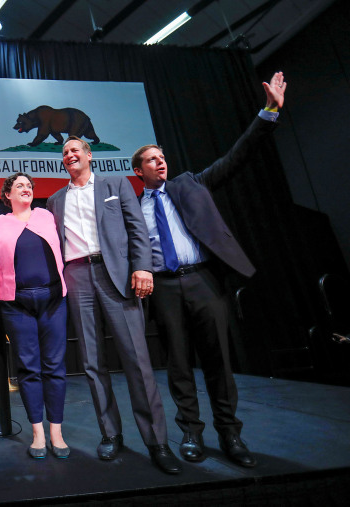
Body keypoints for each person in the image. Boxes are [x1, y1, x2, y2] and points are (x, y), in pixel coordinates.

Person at [131, 71, 287, 468]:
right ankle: (191, 433)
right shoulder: (133, 207)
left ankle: (230, 433)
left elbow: (236, 156)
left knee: (219, 359)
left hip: (203, 280)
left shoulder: (191, 183)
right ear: (139, 171)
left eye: (162, 157)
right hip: (164, 288)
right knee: (179, 364)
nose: (160, 162)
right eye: (151, 159)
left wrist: (268, 112)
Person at [47, 137, 182, 474]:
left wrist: (143, 266)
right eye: (65, 153)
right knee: (92, 362)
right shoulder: (54, 200)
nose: (70, 155)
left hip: (116, 276)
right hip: (77, 275)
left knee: (137, 359)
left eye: (76, 150)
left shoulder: (115, 184)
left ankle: (157, 441)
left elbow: (137, 228)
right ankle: (111, 433)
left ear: (89, 156)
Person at [0, 173, 69, 459]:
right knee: (28, 367)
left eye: (28, 186)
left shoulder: (46, 215)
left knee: (54, 366)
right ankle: (37, 433)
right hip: (16, 304)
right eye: (18, 186)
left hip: (53, 301)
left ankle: (56, 432)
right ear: (7, 195)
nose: (25, 189)